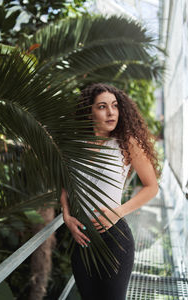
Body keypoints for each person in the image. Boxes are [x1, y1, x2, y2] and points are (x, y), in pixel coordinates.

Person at [60, 83, 160, 300]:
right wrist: (66, 216)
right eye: (102, 106)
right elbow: (66, 185)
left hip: (115, 239)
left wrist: (118, 212)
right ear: (89, 112)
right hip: (82, 239)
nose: (111, 112)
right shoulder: (76, 145)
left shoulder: (127, 143)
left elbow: (152, 187)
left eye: (115, 106)